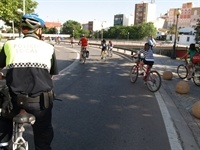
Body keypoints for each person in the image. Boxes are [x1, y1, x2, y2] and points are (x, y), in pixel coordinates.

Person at [0, 13, 58, 150]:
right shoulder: (49, 48)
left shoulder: (9, 44)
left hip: (12, 101)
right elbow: (51, 75)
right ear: (38, 30)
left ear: (22, 29)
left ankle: (2, 144)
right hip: (39, 103)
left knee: (3, 121)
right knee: (43, 137)